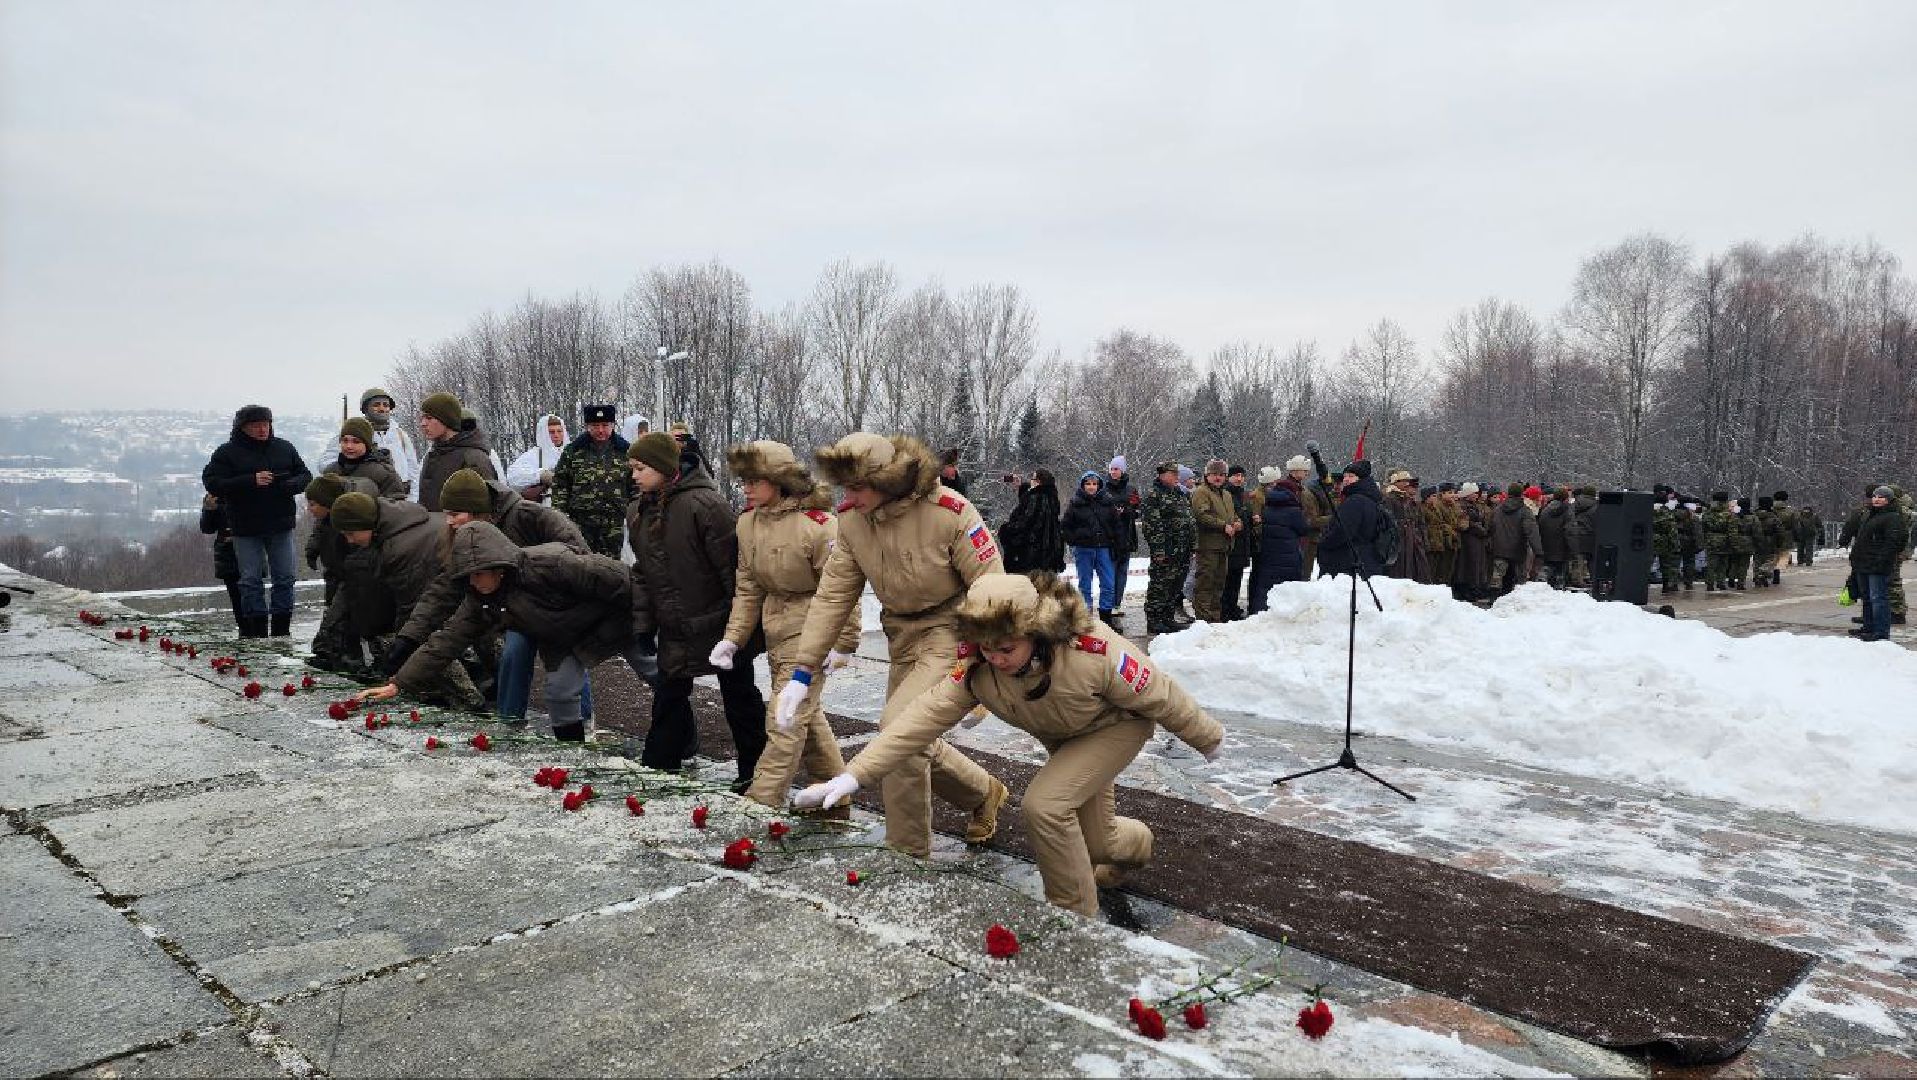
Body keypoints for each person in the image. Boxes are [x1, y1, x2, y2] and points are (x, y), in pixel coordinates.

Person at [792, 572, 1223, 919]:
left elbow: (1159, 694)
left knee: (1046, 805)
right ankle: (1135, 847)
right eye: (986, 647)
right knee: (1098, 843)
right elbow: (916, 723)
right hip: (1063, 738)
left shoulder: (1092, 651)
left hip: (1114, 729)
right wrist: (853, 776)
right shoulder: (978, 668)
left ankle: (1074, 918)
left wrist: (1208, 738)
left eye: (1006, 648)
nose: (995, 658)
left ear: (1035, 632)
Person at [770, 432, 1009, 857]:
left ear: (889, 480)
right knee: (910, 735)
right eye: (845, 487)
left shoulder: (949, 512)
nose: (850, 496)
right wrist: (802, 673)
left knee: (897, 730)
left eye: (858, 486)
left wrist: (978, 662)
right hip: (900, 635)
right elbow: (833, 596)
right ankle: (981, 793)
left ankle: (907, 853)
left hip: (951, 631)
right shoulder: (853, 522)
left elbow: (991, 586)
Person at [357, 522, 654, 738]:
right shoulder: (481, 600)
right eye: (468, 576)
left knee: (658, 673)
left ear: (497, 565)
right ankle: (572, 753)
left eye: (479, 574)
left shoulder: (552, 563)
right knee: (559, 694)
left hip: (616, 621)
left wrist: (648, 619)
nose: (474, 582)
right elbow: (446, 640)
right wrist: (399, 683)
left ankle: (681, 742)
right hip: (563, 640)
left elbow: (622, 579)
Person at [709, 441, 861, 811]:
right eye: (742, 479)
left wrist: (843, 643)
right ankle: (834, 797)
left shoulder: (820, 526)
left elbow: (842, 589)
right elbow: (748, 587)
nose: (744, 487)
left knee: (784, 719)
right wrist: (732, 639)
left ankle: (762, 801)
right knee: (804, 714)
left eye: (752, 479)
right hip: (776, 627)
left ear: (778, 481)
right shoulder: (748, 522)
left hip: (813, 628)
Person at [386, 469, 593, 728]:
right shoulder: (464, 538)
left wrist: (535, 572)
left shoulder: (530, 516)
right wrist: (410, 636)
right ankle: (510, 722)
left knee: (565, 664)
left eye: (455, 514)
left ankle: (582, 720)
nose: (448, 521)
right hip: (518, 610)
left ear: (477, 510)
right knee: (513, 654)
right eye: (446, 513)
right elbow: (445, 588)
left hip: (558, 605)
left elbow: (579, 555)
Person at [622, 432, 765, 785]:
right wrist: (643, 624)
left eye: (641, 468)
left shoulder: (705, 504)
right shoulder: (638, 510)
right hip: (676, 625)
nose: (634, 476)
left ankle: (756, 771)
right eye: (633, 469)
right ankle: (659, 767)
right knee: (669, 697)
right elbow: (643, 571)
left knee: (740, 699)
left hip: (720, 624)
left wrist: (739, 627)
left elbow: (733, 570)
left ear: (663, 466)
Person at [328, 491, 483, 710]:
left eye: (351, 533)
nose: (349, 540)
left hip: (464, 587)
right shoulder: (394, 528)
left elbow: (415, 606)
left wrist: (403, 642)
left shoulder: (400, 547)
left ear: (367, 524)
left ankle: (470, 702)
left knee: (425, 641)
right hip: (451, 587)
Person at [200, 405, 312, 638]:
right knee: (250, 580)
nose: (262, 429)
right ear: (243, 428)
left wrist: (290, 485)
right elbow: (213, 483)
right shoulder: (226, 453)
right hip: (245, 526)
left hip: (280, 523)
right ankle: (256, 632)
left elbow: (305, 475)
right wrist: (250, 480)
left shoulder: (284, 447)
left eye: (266, 424)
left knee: (285, 578)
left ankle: (282, 631)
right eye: (255, 425)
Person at [303, 473, 379, 674]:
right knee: (334, 612)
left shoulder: (348, 515)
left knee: (349, 615)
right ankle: (332, 653)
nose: (310, 509)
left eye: (313, 504)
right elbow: (318, 532)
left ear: (327, 504)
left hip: (351, 572)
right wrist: (312, 549)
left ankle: (353, 657)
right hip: (334, 570)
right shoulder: (324, 519)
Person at [551, 404, 634, 558]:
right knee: (582, 566)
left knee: (611, 568)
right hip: (580, 524)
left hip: (613, 524)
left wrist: (633, 514)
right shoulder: (573, 451)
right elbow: (560, 485)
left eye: (605, 425)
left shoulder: (625, 451)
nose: (601, 430)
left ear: (613, 425)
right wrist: (560, 518)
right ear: (587, 426)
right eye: (595, 425)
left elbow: (635, 485)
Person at [415, 392, 498, 512]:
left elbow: (482, 512)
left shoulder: (473, 458)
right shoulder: (432, 455)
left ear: (446, 419)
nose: (423, 423)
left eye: (429, 418)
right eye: (422, 418)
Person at [1141, 461, 1196, 635]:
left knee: (1175, 584)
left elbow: (1188, 519)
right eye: (1173, 474)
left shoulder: (1179, 493)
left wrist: (1192, 545)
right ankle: (1154, 621)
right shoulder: (1154, 495)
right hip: (1166, 550)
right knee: (1160, 585)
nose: (1176, 478)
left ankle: (1168, 618)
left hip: (1182, 549)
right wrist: (1158, 550)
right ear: (1162, 474)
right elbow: (1152, 525)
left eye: (1177, 474)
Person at [1850, 486, 1909, 642]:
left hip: (1877, 564)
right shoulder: (1870, 515)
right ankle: (1868, 628)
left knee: (1878, 599)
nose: (1876, 499)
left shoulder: (1893, 517)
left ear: (1889, 500)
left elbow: (1894, 542)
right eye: (1875, 496)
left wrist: (1882, 560)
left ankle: (1881, 632)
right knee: (1867, 598)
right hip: (1863, 563)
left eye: (1881, 497)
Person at [1061, 470, 1121, 622]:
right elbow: (1065, 526)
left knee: (1108, 583)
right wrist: (1075, 540)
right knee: (1085, 585)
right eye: (1088, 484)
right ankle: (1085, 619)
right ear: (1083, 486)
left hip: (1104, 548)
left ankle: (1106, 619)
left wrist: (1114, 541)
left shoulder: (1107, 502)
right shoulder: (1076, 503)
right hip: (1084, 549)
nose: (1091, 487)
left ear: (1099, 486)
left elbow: (1116, 524)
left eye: (1094, 484)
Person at [1316, 461, 1390, 578]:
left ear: (1361, 479)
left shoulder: (1355, 501)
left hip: (1349, 564)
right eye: (1345, 476)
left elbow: (1343, 531)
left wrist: (1323, 543)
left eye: (1351, 476)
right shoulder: (1372, 500)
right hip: (1368, 561)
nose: (1345, 479)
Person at [1247, 471, 1308, 613]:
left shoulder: (1267, 509)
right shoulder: (1294, 511)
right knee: (1287, 586)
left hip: (1268, 554)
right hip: (1288, 555)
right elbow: (1303, 530)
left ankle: (1260, 611)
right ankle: (1285, 613)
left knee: (1266, 586)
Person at [1189, 460, 1237, 622]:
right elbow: (1201, 515)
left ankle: (1214, 618)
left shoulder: (1226, 494)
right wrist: (1223, 525)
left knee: (1219, 584)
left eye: (1221, 475)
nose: (1218, 478)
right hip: (1207, 546)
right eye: (1214, 474)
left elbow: (1232, 515)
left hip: (1224, 546)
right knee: (1205, 584)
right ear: (1207, 475)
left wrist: (1237, 522)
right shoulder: (1201, 492)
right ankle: (1203, 619)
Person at [999, 470, 1064, 575]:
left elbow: (1027, 521)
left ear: (1039, 482)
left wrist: (1007, 530)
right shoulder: (1051, 497)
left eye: (1033, 479)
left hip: (1032, 552)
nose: (1030, 481)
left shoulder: (1037, 498)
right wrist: (1022, 487)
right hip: (1048, 552)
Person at [358, 388, 418, 497]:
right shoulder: (356, 432)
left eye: (386, 405)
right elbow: (328, 461)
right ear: (365, 408)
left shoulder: (400, 435)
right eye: (376, 405)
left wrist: (413, 498)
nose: (382, 409)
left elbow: (413, 469)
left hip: (399, 498)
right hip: (368, 498)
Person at [1487, 482, 1543, 596]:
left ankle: (1494, 600)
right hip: (1517, 550)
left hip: (1499, 548)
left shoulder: (1497, 509)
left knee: (1497, 578)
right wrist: (1539, 551)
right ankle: (1513, 603)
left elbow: (1490, 527)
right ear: (1521, 494)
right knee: (1518, 580)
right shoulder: (1525, 511)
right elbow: (1532, 531)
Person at [198, 493, 242, 632]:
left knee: (251, 591)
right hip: (227, 553)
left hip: (247, 547)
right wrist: (209, 509)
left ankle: (254, 630)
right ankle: (244, 629)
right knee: (236, 597)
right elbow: (207, 528)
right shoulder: (216, 493)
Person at [1103, 456, 1139, 622]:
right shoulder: (1103, 488)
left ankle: (1117, 603)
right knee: (1109, 572)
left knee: (1122, 572)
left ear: (1122, 470)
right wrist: (1112, 512)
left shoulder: (1131, 489)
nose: (1113, 472)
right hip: (1109, 537)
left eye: (1116, 469)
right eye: (1111, 469)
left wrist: (1127, 511)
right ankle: (1108, 604)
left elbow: (1138, 510)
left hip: (1126, 535)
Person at [335, 417, 408, 497]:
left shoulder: (385, 475)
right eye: (345, 440)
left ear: (367, 444)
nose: (349, 446)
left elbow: (396, 504)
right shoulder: (332, 471)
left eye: (356, 442)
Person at [506, 413, 571, 503]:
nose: (556, 435)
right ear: (543, 433)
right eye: (551, 432)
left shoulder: (572, 453)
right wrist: (540, 475)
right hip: (545, 508)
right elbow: (513, 477)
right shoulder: (535, 455)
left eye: (559, 431)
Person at [1381, 469, 1430, 582]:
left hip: (1411, 539)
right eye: (1403, 480)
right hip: (1398, 540)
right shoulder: (1389, 498)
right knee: (1397, 570)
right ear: (1395, 482)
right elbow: (1388, 520)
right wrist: (1402, 525)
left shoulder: (1407, 499)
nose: (1407, 483)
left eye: (1408, 480)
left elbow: (1417, 520)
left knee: (1413, 568)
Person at [1287, 455, 1331, 576]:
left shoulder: (1299, 489)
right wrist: (1333, 518)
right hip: (1305, 540)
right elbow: (1310, 520)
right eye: (1304, 470)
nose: (1307, 472)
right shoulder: (1300, 492)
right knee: (1303, 575)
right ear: (1294, 471)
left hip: (1302, 539)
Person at [1423, 483, 1464, 592]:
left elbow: (1461, 519)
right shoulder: (1439, 506)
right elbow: (1440, 523)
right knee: (1441, 570)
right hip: (1443, 541)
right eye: (1450, 492)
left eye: (1453, 492)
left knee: (1449, 570)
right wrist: (1451, 529)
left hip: (1452, 541)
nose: (1452, 495)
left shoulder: (1454, 505)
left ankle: (1446, 590)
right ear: (1443, 494)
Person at [1454, 482, 1490, 601]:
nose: (1477, 495)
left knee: (1476, 565)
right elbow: (1468, 523)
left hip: (1475, 539)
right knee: (1469, 565)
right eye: (1474, 493)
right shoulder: (1463, 506)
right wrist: (1482, 530)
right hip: (1468, 540)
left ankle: (1474, 587)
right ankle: (1467, 589)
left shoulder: (1473, 505)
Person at [1537, 489, 1573, 589]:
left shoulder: (1545, 509)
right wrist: (1572, 547)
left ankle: (1543, 588)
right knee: (1560, 574)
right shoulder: (1567, 511)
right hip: (1562, 548)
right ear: (1565, 499)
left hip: (1546, 546)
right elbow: (1569, 531)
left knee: (1548, 570)